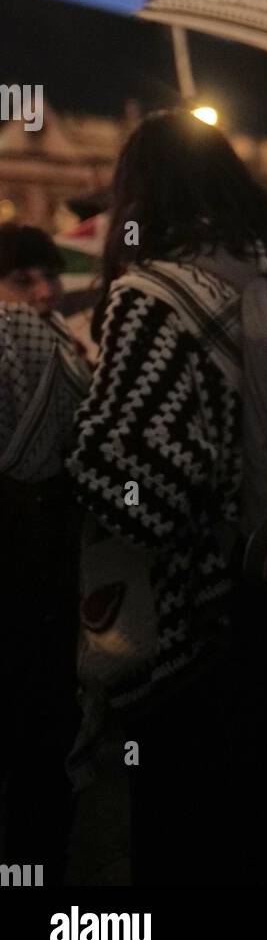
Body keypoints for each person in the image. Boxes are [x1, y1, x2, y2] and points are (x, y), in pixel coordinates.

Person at [66, 110, 267, 886]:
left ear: (137, 200)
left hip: (205, 647)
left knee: (196, 848)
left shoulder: (155, 297)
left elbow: (141, 491)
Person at [0, 223, 91, 884]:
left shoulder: (64, 349)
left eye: (46, 277)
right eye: (20, 280)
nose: (41, 292)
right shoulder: (60, 352)